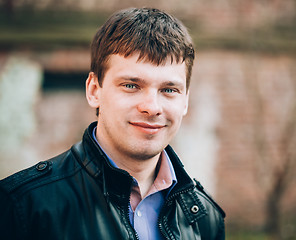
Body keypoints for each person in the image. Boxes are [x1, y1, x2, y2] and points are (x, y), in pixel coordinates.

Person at [0, 7, 225, 240]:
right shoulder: (23, 207)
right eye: (131, 85)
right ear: (94, 90)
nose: (152, 107)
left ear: (185, 101)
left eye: (169, 90)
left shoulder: (205, 218)